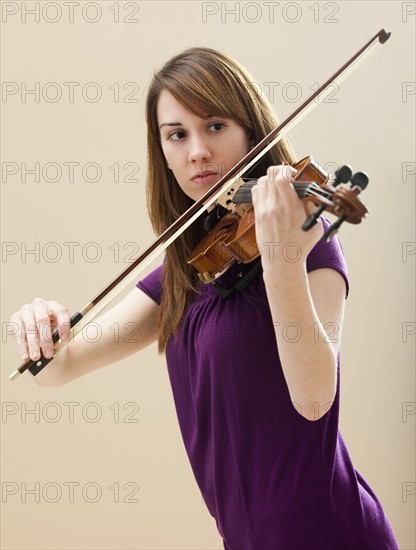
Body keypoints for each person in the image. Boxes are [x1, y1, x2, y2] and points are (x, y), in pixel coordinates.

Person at [11, 47, 399, 549]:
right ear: (164, 154)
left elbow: (314, 399)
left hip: (327, 532)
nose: (196, 150)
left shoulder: (310, 241)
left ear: (251, 132)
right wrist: (41, 323)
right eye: (177, 134)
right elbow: (62, 366)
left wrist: (282, 259)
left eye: (214, 126)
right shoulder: (191, 269)